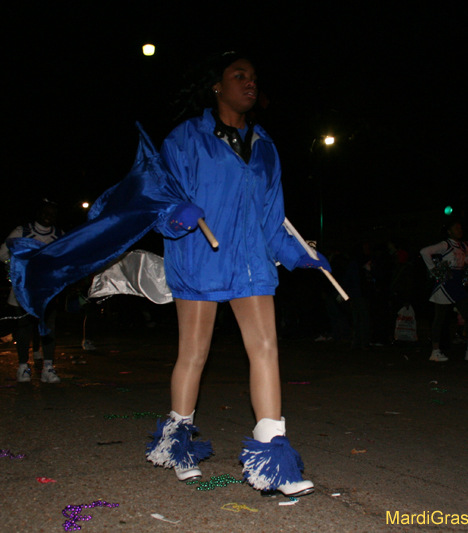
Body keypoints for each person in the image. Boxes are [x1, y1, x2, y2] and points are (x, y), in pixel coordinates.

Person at [143, 53, 330, 497]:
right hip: (199, 255)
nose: (249, 84)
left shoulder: (265, 145)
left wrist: (298, 254)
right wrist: (176, 214)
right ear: (216, 86)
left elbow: (272, 217)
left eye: (253, 78)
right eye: (238, 76)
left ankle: (273, 461)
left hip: (250, 261)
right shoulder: (186, 138)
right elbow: (158, 199)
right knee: (195, 351)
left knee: (266, 347)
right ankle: (178, 445)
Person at [0, 200, 64, 383]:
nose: (48, 216)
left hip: (48, 290)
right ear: (38, 214)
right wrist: (22, 261)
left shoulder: (59, 235)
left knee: (48, 328)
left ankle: (48, 368)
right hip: (24, 289)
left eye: (53, 214)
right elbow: (2, 253)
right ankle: (22, 367)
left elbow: (67, 257)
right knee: (25, 328)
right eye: (45, 212)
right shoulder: (23, 231)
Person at [420, 221, 468, 362]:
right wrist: (434, 270)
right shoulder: (445, 245)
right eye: (456, 228)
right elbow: (424, 251)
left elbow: (466, 261)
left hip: (457, 285)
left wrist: (467, 255)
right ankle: (435, 351)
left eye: (460, 228)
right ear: (449, 231)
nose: (459, 230)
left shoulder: (463, 246)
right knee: (440, 319)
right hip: (445, 285)